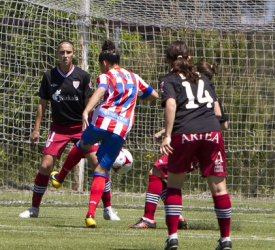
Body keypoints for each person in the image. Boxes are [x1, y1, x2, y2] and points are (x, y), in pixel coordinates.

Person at [58, 39, 158, 228]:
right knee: (101, 171)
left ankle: (60, 177)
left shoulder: (107, 75)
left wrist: (86, 110)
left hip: (101, 122)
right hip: (120, 129)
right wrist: (135, 96)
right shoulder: (134, 77)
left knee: (82, 145)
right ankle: (90, 214)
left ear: (104, 63)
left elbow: (101, 89)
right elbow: (154, 96)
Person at [19, 40, 119, 221]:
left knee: (99, 164)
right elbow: (42, 103)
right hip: (58, 128)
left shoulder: (82, 76)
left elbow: (91, 100)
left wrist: (92, 124)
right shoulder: (49, 76)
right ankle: (34, 208)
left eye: (68, 52)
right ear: (57, 54)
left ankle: (108, 209)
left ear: (73, 54)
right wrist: (36, 129)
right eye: (62, 52)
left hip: (82, 128)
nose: (65, 55)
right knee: (45, 166)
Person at [128, 61, 228, 230]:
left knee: (156, 172)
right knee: (216, 187)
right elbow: (222, 120)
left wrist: (167, 133)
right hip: (210, 140)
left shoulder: (190, 88)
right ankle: (181, 218)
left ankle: (149, 218)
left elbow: (182, 113)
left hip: (188, 140)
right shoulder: (209, 93)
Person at [159, 41, 232, 250]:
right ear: (189, 58)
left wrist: (168, 135)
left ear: (167, 60)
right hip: (212, 132)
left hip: (184, 134)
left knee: (174, 185)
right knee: (219, 189)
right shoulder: (202, 78)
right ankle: (225, 239)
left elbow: (172, 104)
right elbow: (217, 112)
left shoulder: (168, 79)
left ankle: (173, 237)